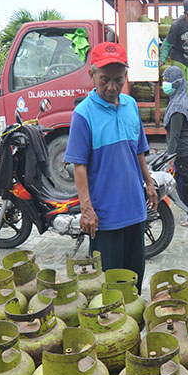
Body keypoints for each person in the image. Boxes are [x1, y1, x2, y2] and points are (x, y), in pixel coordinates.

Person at [64, 42, 158, 292]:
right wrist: (87, 209)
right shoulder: (83, 114)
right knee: (109, 285)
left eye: (118, 80)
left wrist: (149, 182)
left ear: (126, 77)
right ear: (91, 75)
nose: (112, 87)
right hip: (104, 218)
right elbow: (79, 166)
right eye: (105, 79)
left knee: (135, 279)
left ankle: (133, 325)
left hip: (134, 211)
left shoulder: (131, 106)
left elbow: (138, 149)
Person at [162, 65, 188, 227]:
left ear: (175, 83)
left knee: (185, 186)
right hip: (185, 150)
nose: (164, 84)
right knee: (185, 184)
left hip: (182, 151)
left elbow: (175, 136)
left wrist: (170, 158)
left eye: (166, 81)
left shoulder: (178, 107)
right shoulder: (180, 99)